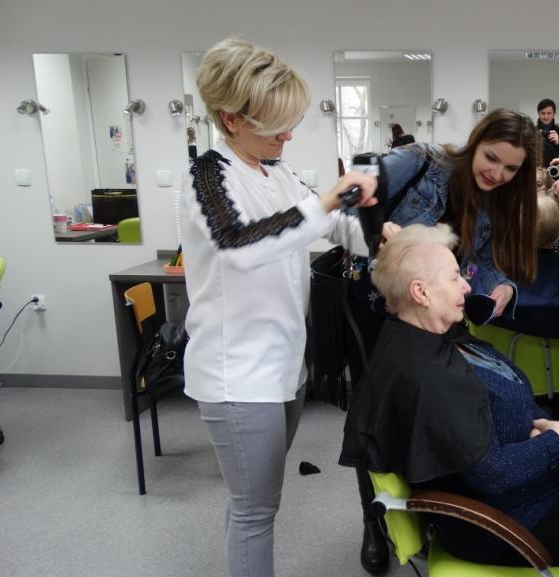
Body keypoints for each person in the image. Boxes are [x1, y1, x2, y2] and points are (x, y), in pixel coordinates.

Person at [339, 224, 559, 569]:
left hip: (533, 477)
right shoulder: (430, 379)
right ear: (421, 292)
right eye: (454, 277)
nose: (467, 286)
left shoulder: (430, 332)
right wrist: (556, 440)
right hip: (508, 521)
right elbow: (493, 474)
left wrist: (538, 426)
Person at [180, 37, 378, 577]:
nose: (288, 135)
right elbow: (242, 244)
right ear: (231, 118)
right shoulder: (209, 176)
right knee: (255, 512)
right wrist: (331, 197)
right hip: (238, 376)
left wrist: (386, 235)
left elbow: (330, 224)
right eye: (275, 126)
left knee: (251, 505)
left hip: (284, 368)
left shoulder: (278, 172)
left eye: (291, 123)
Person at [347, 108, 540, 357]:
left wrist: (501, 286)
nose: (497, 174)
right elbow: (345, 203)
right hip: (377, 308)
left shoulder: (499, 203)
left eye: (511, 168)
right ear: (476, 142)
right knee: (377, 379)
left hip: (434, 321)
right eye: (491, 158)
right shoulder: (419, 161)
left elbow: (483, 261)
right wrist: (373, 228)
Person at [537, 98, 559, 167]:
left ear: (554, 114)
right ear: (538, 113)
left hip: (557, 169)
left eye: (549, 113)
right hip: (536, 169)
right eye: (543, 113)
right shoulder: (532, 131)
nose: (546, 116)